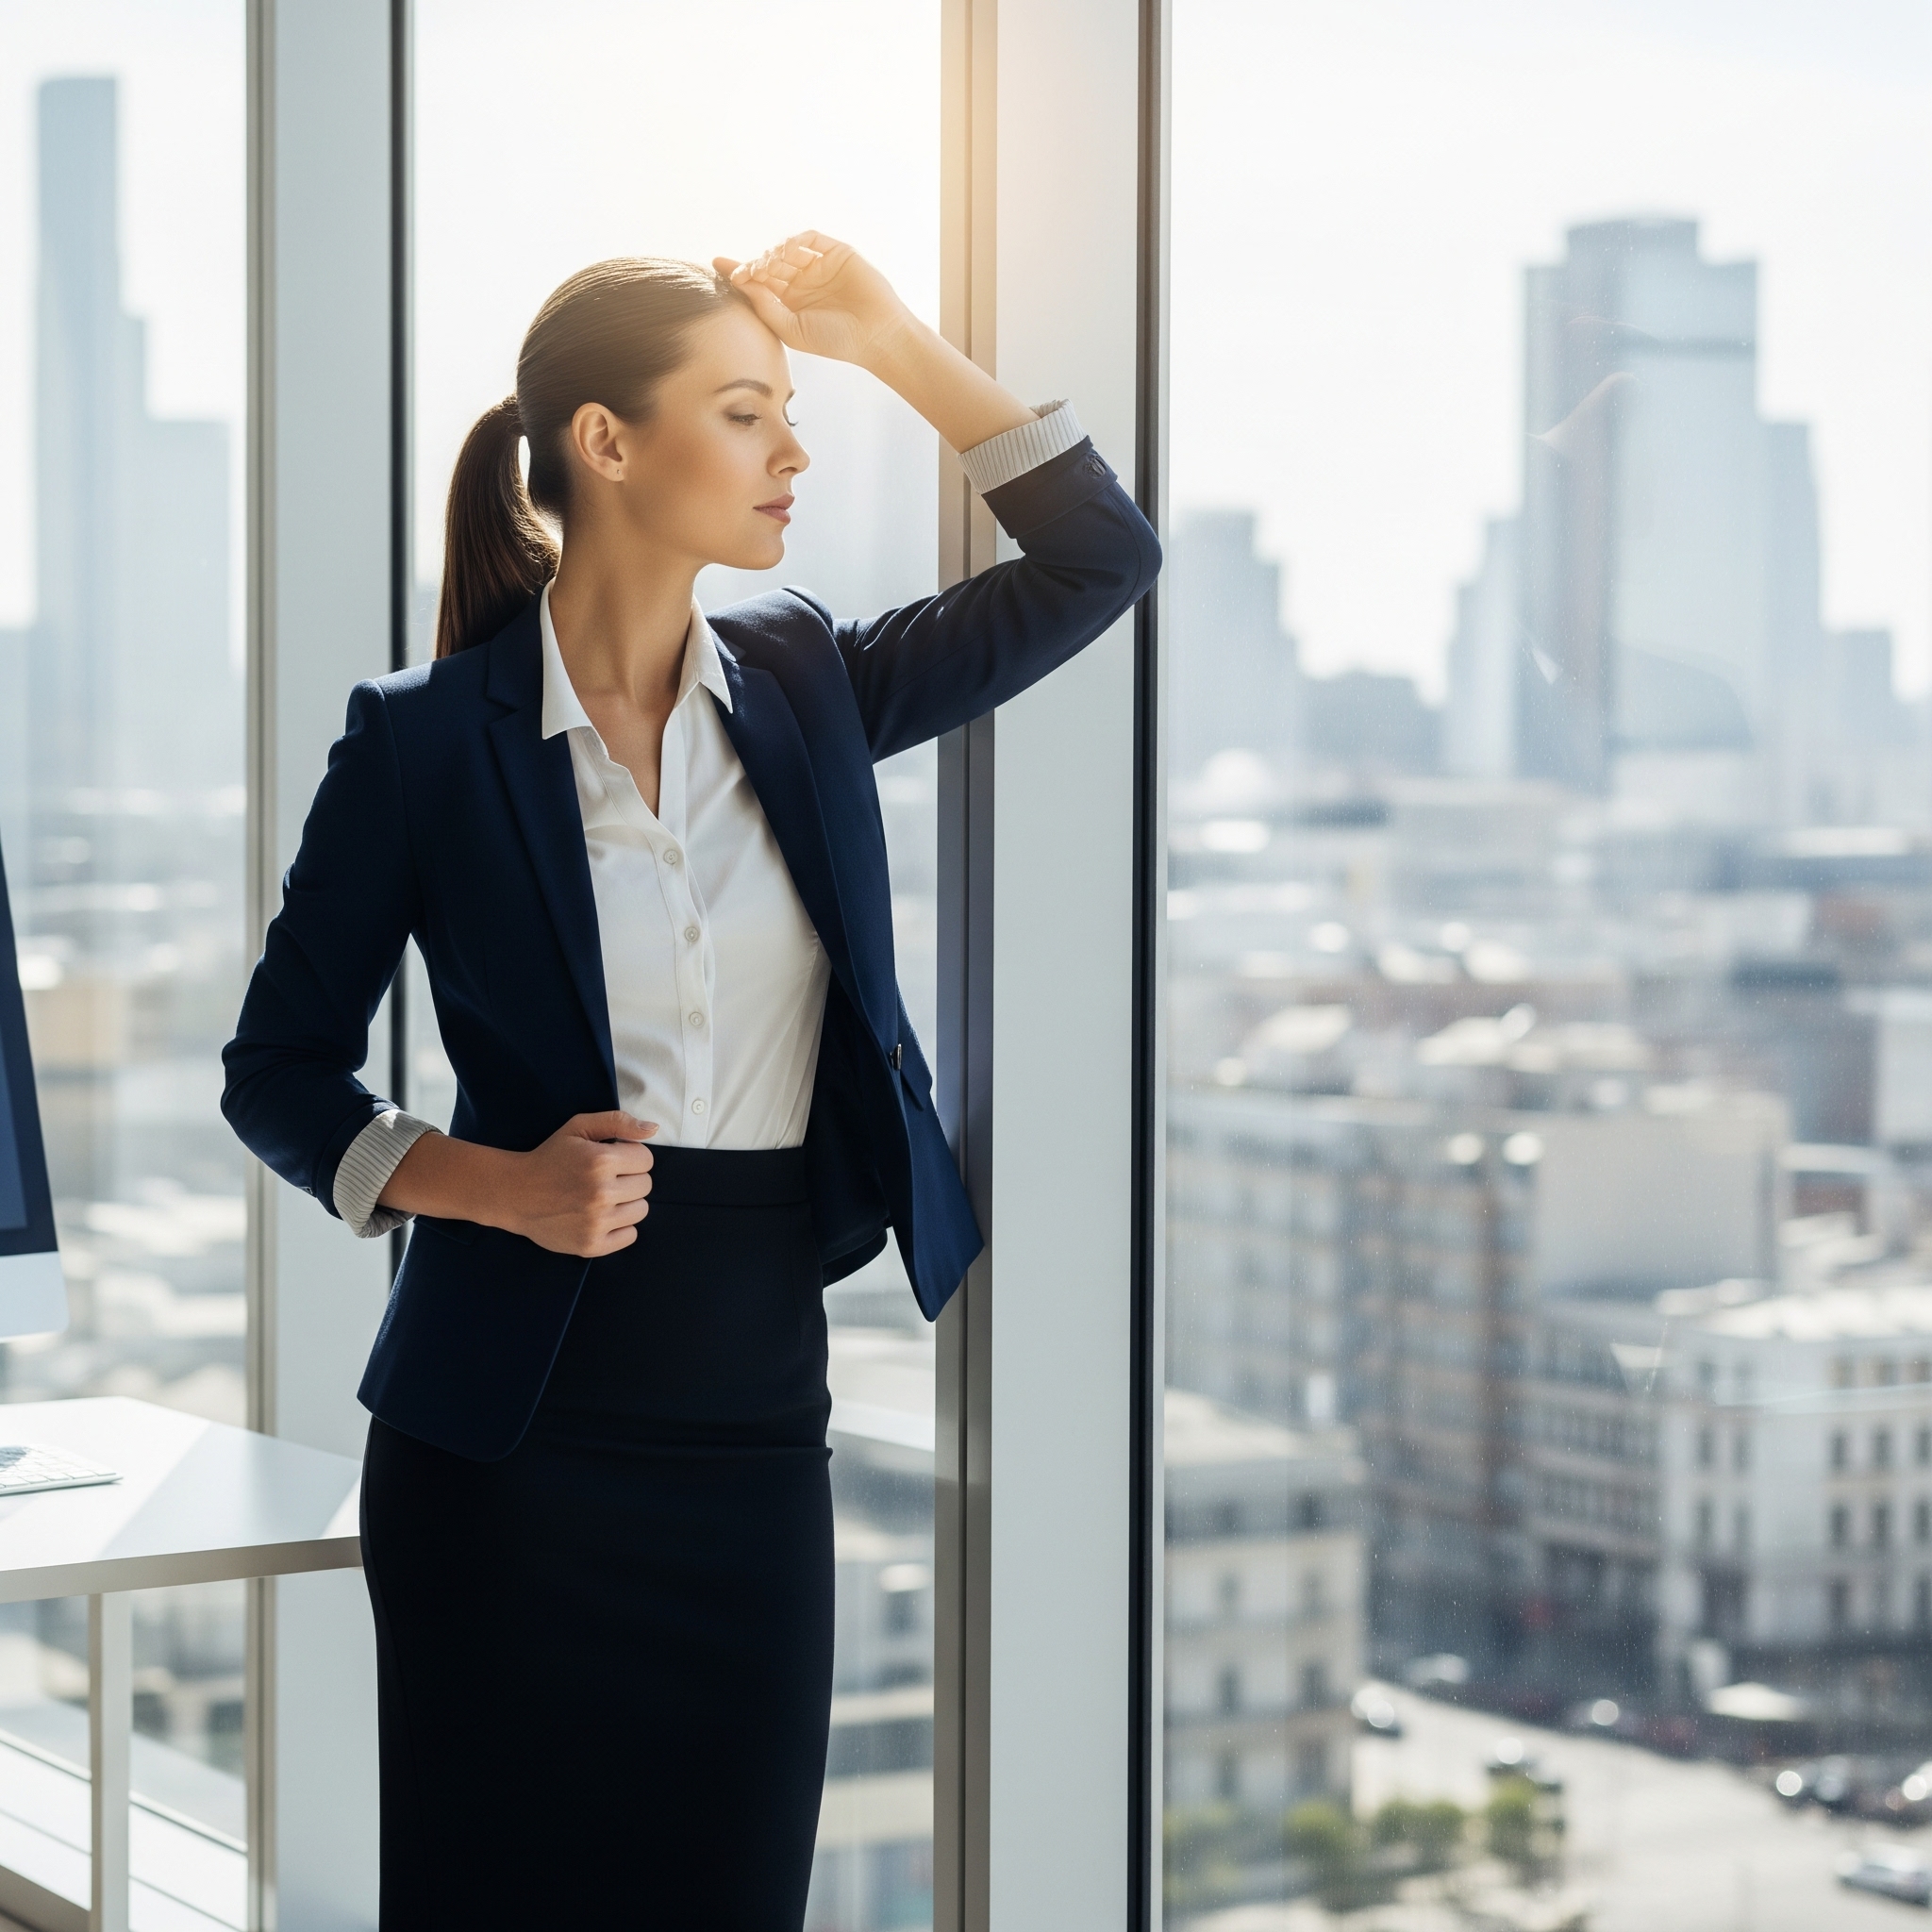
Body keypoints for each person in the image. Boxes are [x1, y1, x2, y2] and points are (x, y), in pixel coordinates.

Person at [222, 231, 1159, 1927]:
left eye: (793, 412)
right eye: (748, 412)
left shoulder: (805, 683)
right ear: (606, 442)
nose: (794, 452)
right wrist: (487, 1183)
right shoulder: (423, 743)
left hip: (745, 1417)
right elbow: (276, 1073)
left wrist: (894, 342)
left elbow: (1099, 559)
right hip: (504, 1440)